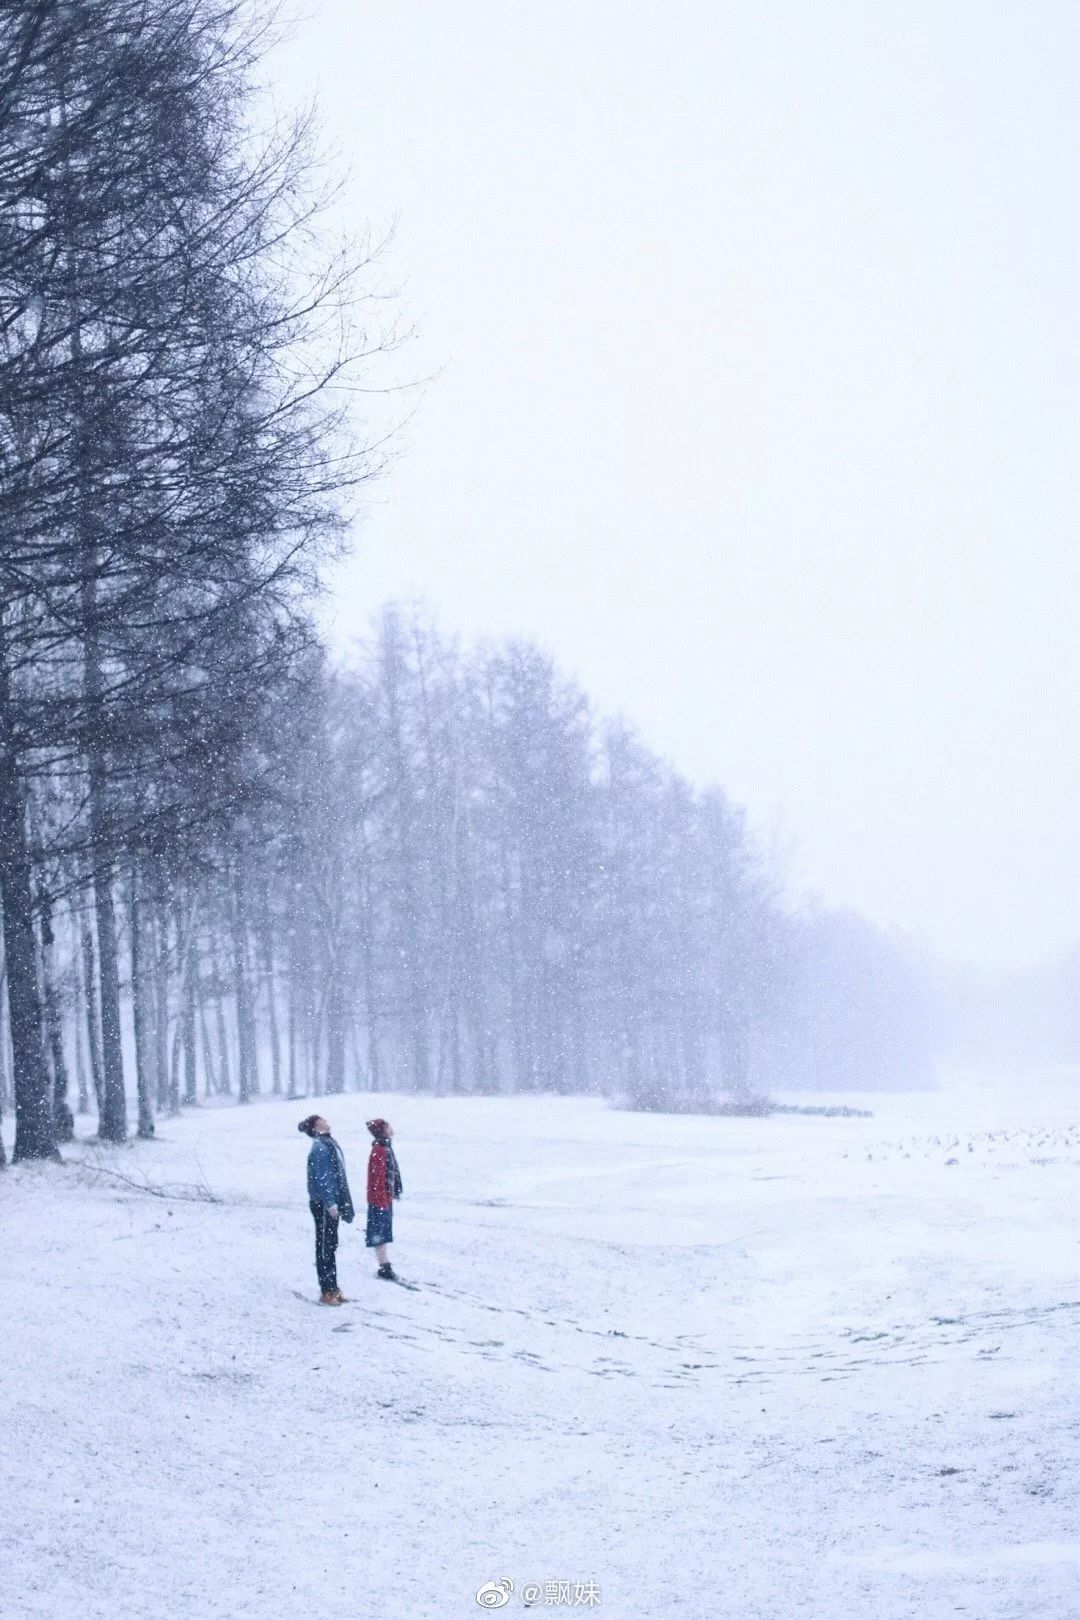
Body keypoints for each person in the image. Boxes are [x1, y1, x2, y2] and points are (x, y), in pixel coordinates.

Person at [298, 1115, 355, 1305]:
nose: (327, 1121)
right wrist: (330, 1202)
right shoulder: (320, 1147)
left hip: (330, 1202)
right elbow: (324, 1178)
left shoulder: (328, 1143)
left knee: (330, 1244)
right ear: (316, 1126)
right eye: (322, 1120)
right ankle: (327, 1291)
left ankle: (333, 1288)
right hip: (323, 1204)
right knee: (324, 1246)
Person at [365, 1117, 403, 1280]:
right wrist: (381, 1199)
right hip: (380, 1199)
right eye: (388, 1125)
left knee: (382, 1231)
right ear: (383, 1130)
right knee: (380, 1232)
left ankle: (384, 1264)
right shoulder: (380, 1149)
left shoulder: (385, 1147)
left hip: (384, 1197)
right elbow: (377, 1178)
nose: (391, 1127)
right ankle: (384, 1266)